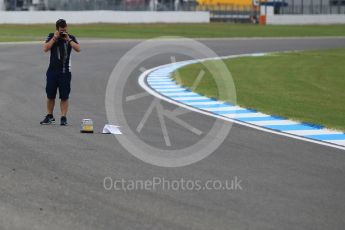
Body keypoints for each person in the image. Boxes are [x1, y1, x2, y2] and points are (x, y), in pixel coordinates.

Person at [40, 19, 81, 126]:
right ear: (57, 29)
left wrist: (68, 40)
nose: (63, 31)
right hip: (52, 71)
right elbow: (45, 48)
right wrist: (55, 37)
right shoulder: (51, 36)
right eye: (61, 30)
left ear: (67, 27)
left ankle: (63, 117)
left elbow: (78, 49)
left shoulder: (70, 37)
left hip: (65, 72)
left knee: (64, 96)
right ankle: (50, 116)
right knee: (50, 95)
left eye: (65, 29)